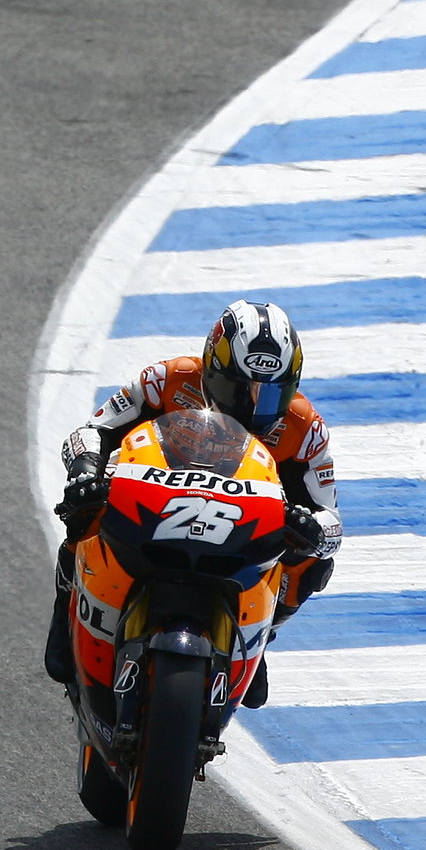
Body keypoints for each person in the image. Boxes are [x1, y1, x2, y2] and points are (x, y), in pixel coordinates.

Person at [43, 299, 341, 708]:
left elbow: (331, 520)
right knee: (84, 509)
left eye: (272, 394)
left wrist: (312, 530)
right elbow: (92, 430)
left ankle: (262, 635)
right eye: (240, 389)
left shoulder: (304, 429)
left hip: (243, 522)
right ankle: (67, 609)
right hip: (154, 500)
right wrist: (86, 469)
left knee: (313, 563)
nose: (254, 407)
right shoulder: (166, 379)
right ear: (211, 369)